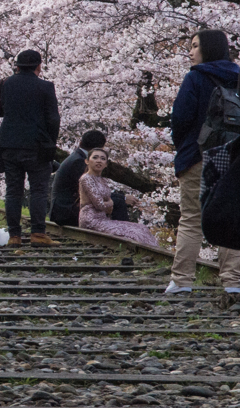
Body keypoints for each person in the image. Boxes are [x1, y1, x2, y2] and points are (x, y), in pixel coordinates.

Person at [167, 29, 240, 300]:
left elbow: (180, 119)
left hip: (198, 156)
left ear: (207, 49)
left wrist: (184, 146)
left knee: (191, 219)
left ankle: (182, 281)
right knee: (232, 218)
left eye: (195, 46)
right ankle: (233, 282)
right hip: (233, 157)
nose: (190, 51)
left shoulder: (195, 78)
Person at [0, 49, 61, 247]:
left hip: (9, 143)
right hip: (37, 145)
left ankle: (14, 236)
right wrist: (50, 142)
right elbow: (53, 118)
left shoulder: (5, 84)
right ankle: (38, 234)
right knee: (38, 190)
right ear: (39, 66)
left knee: (13, 191)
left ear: (17, 66)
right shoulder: (45, 87)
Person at [50, 130, 138, 226]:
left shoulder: (77, 157)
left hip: (65, 209)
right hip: (65, 213)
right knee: (119, 203)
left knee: (117, 200)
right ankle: (123, 234)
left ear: (80, 142)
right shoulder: (79, 162)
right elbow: (94, 193)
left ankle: (122, 232)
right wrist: (124, 198)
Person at [78, 149, 158, 247]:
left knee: (142, 228)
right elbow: (100, 205)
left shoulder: (102, 180)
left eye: (102, 159)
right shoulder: (86, 178)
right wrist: (111, 203)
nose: (99, 161)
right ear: (87, 161)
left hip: (103, 218)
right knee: (134, 233)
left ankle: (152, 253)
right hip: (91, 220)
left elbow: (105, 204)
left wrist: (108, 204)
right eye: (95, 157)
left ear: (106, 164)